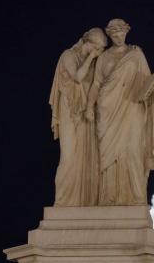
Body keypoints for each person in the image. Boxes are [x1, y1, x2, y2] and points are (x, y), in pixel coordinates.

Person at [86, 18, 154, 205]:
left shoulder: (136, 55)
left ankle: (136, 198)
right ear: (110, 34)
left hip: (132, 109)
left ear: (126, 32)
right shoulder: (104, 57)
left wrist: (148, 91)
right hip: (107, 110)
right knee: (108, 159)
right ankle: (109, 198)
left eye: (121, 32)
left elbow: (148, 81)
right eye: (114, 33)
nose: (118, 36)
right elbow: (96, 84)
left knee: (133, 151)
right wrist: (89, 106)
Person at [49, 28, 107, 206]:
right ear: (87, 42)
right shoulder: (68, 55)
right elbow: (77, 77)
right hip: (69, 113)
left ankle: (83, 201)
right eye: (97, 48)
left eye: (101, 50)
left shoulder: (93, 63)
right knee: (69, 158)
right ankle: (62, 201)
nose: (98, 53)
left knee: (86, 159)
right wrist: (91, 57)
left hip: (85, 115)